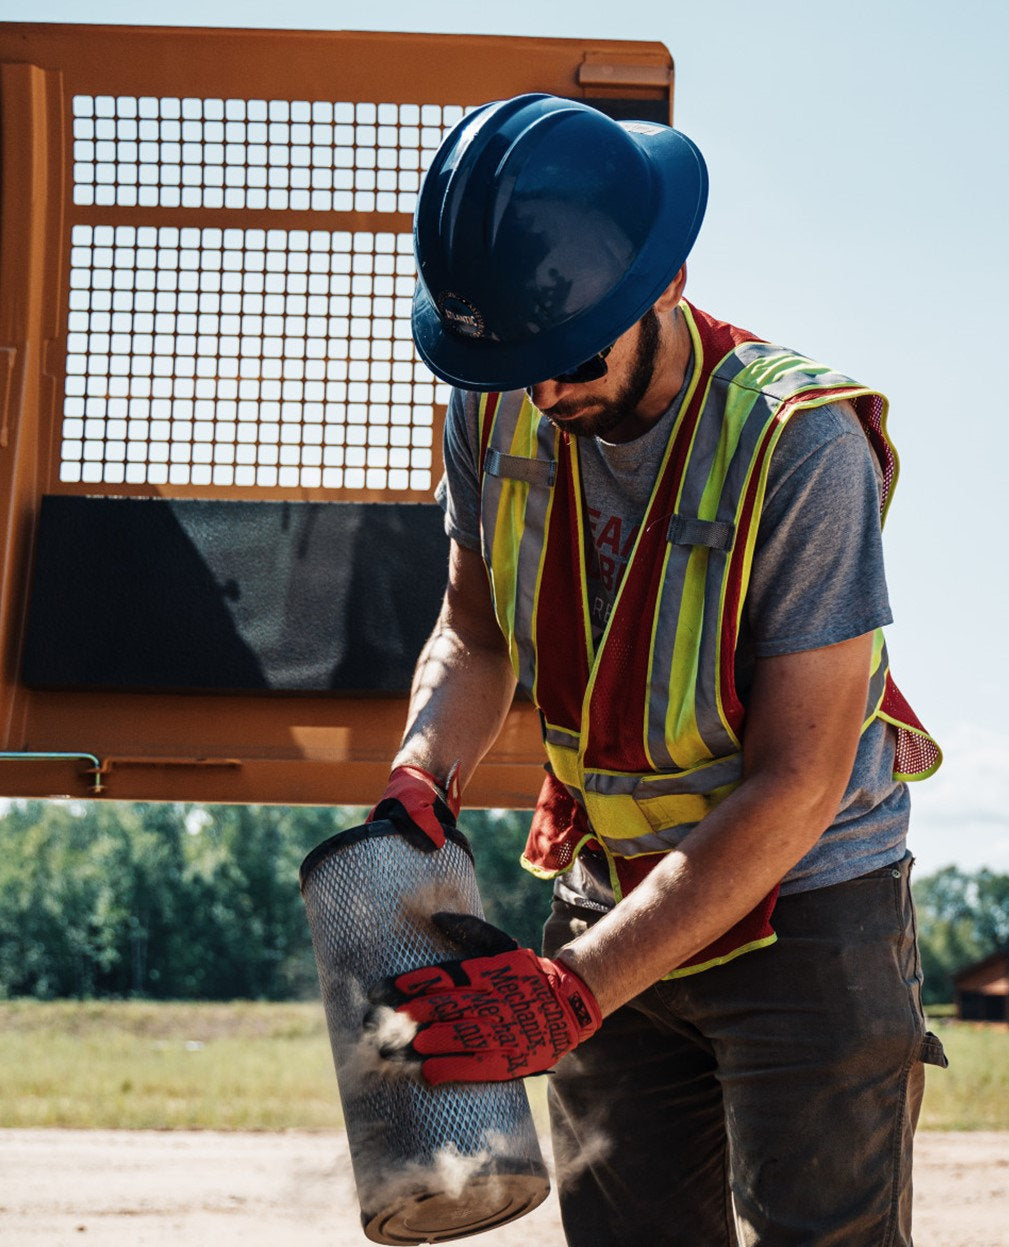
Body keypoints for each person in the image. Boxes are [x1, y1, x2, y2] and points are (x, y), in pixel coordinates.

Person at [367, 93, 946, 1247]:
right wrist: (422, 767)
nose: (541, 394)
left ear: (666, 282)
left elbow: (795, 780)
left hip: (805, 902)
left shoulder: (800, 445)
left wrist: (568, 989)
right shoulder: (495, 398)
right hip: (607, 880)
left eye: (569, 356)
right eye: (509, 361)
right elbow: (474, 634)